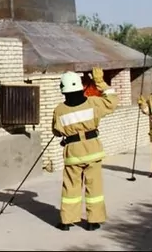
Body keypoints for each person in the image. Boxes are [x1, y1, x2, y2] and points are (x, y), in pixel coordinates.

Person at [51, 67, 119, 231]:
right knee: (94, 187)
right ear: (80, 86)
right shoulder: (93, 102)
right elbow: (112, 101)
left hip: (73, 153)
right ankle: (93, 221)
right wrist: (100, 82)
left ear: (63, 89)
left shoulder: (59, 110)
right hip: (92, 151)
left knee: (71, 187)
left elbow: (57, 131)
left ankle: (67, 221)